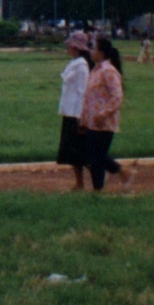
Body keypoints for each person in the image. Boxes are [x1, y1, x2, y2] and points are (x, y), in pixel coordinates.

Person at [80, 35, 135, 193]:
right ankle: (119, 175)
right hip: (93, 121)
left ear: (101, 53)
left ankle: (104, 185)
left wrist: (102, 114)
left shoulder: (109, 71)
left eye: (94, 48)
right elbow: (89, 96)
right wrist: (84, 118)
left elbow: (117, 96)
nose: (91, 51)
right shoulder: (96, 70)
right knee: (93, 155)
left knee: (97, 155)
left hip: (104, 122)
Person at [55, 31, 93, 190]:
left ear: (76, 47)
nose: (67, 48)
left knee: (80, 153)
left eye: (70, 45)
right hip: (69, 112)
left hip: (76, 114)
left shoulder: (82, 66)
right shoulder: (74, 63)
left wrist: (81, 116)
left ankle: (96, 180)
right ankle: (79, 184)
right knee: (72, 153)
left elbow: (83, 92)